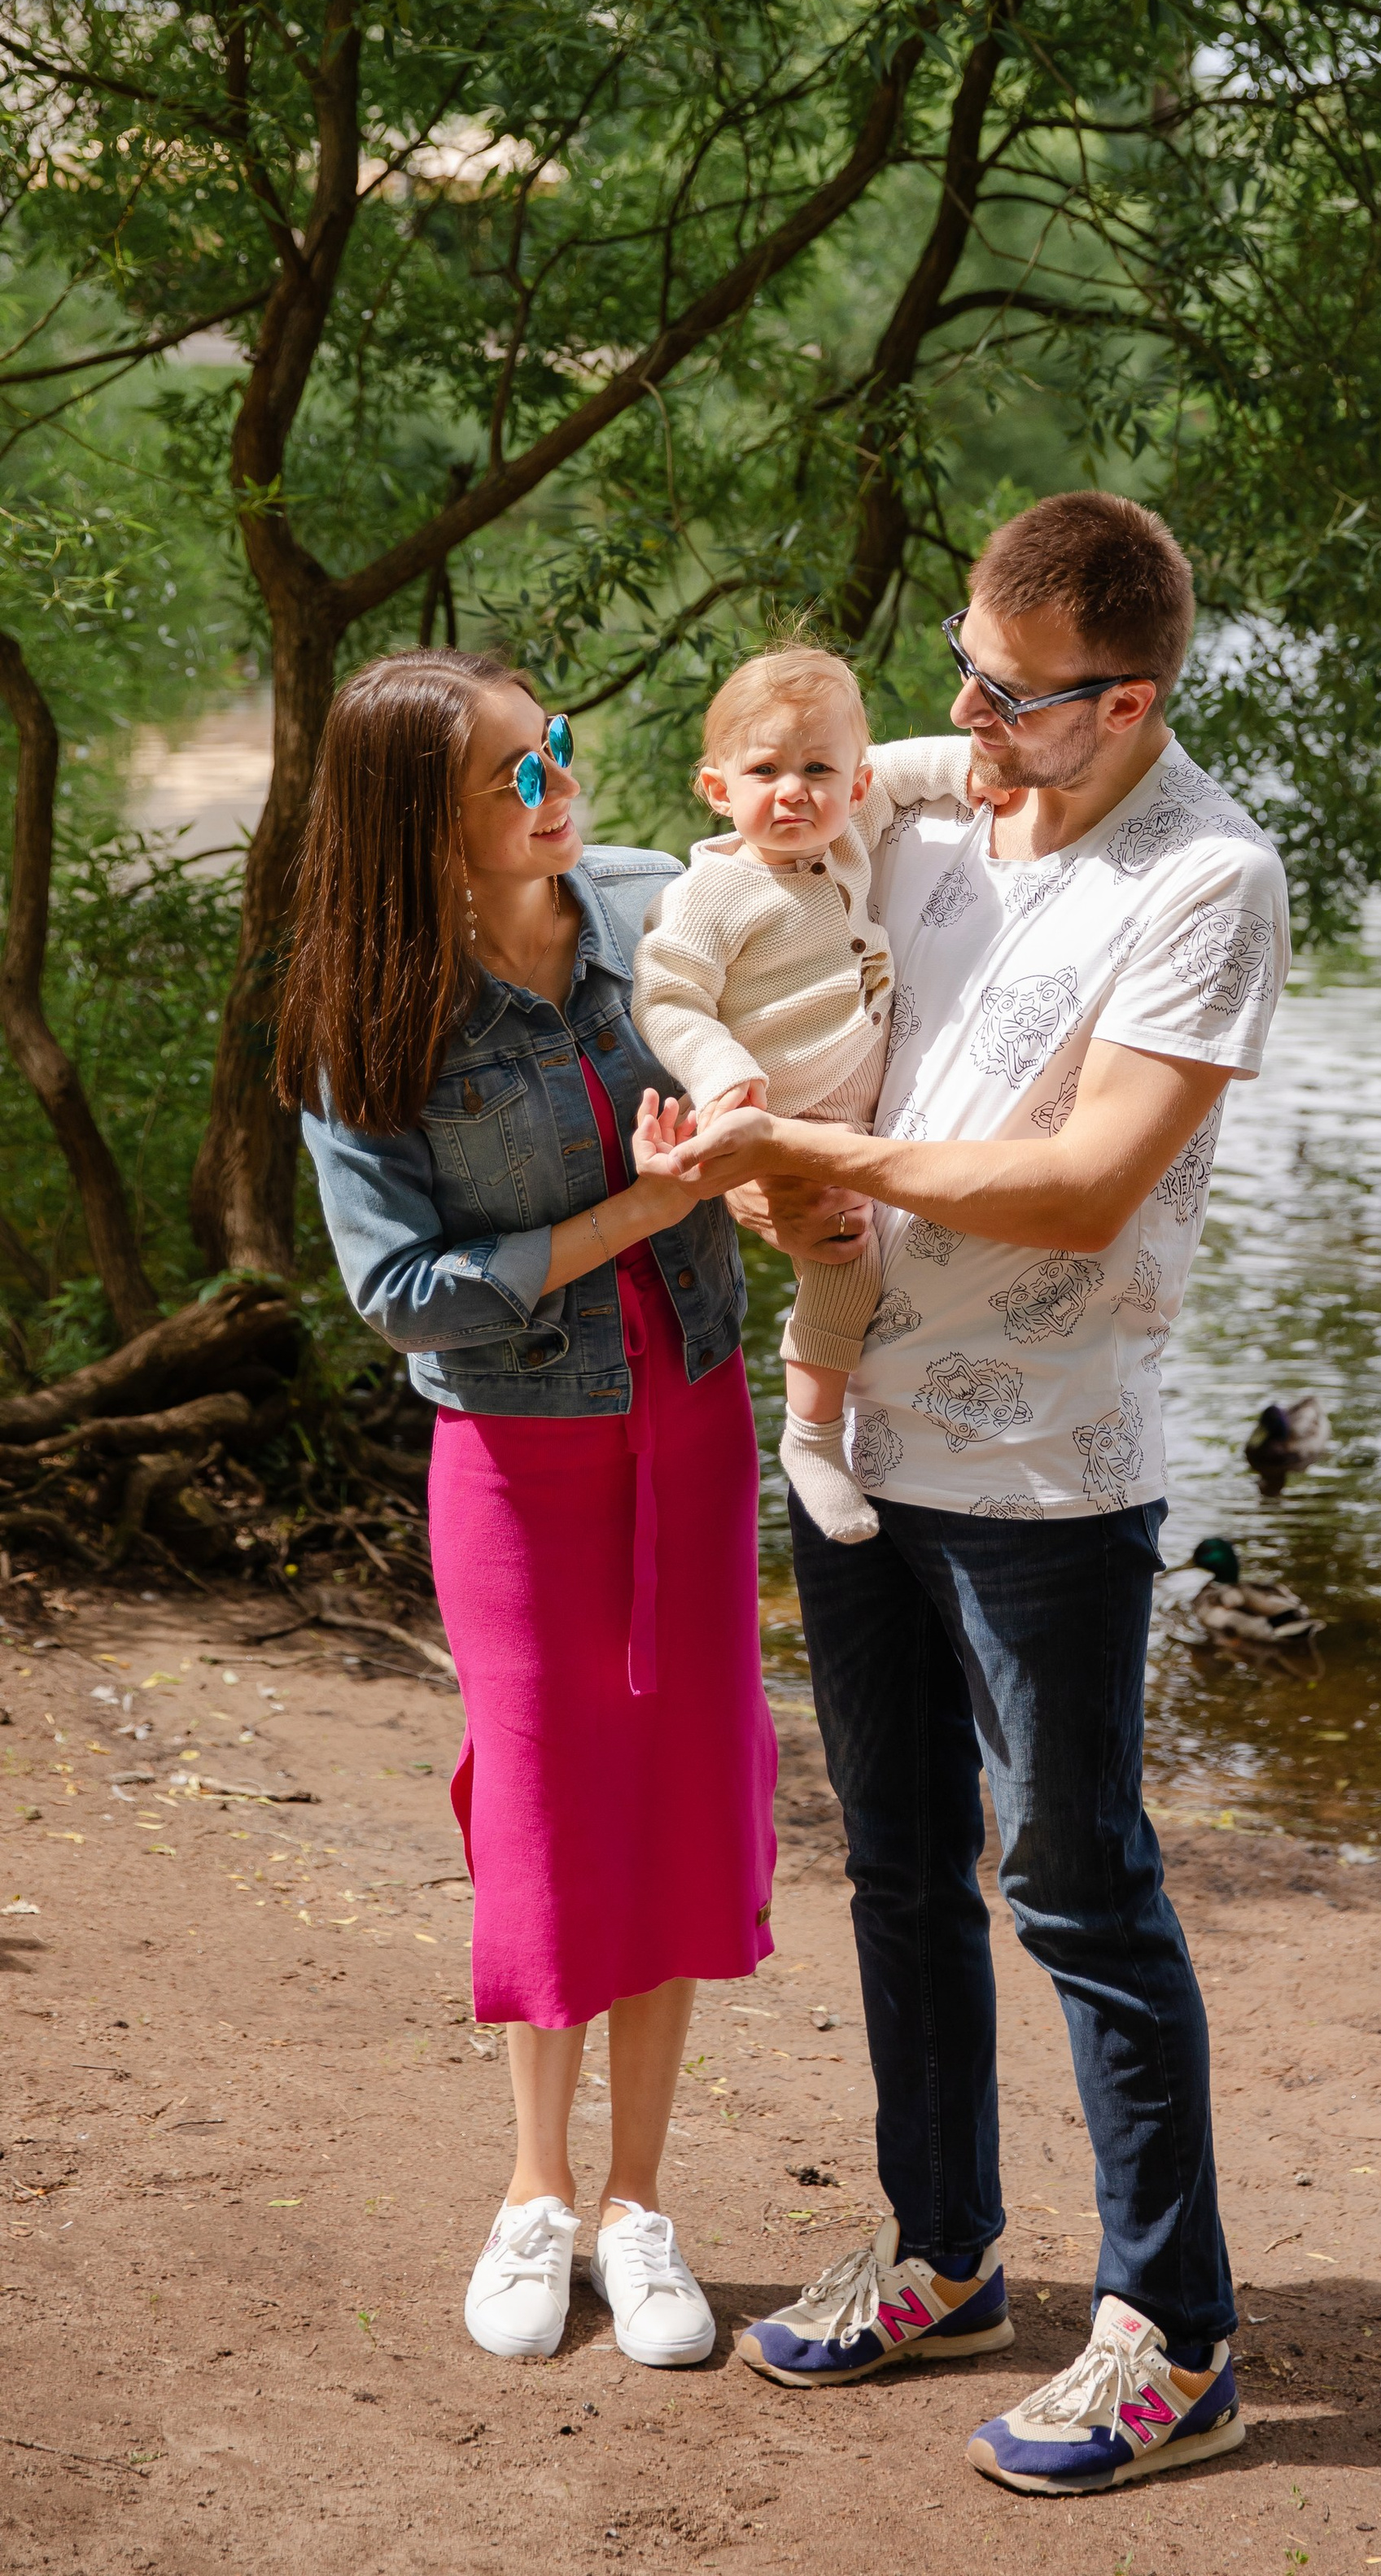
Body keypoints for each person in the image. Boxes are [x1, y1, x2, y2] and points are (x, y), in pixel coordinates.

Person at [644, 493, 1291, 2495]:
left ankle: (1172, 2333)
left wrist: (820, 1139)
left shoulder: (1208, 875)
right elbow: (749, 812)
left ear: (1130, 700)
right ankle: (943, 2245)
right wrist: (747, 1146)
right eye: (957, 664)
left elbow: (1089, 1175)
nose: (960, 710)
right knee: (901, 1870)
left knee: (1078, 1884)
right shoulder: (929, 797)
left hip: (1045, 1476)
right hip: (862, 1448)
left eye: (1007, 693)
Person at [280, 649, 774, 2372]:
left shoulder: (659, 911)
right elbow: (399, 1290)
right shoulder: (363, 1017)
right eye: (507, 770)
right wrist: (636, 1215)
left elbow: (842, 805)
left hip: (693, 1419)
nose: (552, 783)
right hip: (516, 1450)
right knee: (547, 1815)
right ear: (417, 818)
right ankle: (534, 2197)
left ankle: (640, 2206)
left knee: (678, 1797)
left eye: (552, 745)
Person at [630, 644, 971, 1542]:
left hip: (860, 1107)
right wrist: (717, 1075)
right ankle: (812, 1439)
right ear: (716, 789)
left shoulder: (850, 828)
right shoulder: (713, 893)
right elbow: (666, 996)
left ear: (852, 788)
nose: (794, 791)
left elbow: (898, 766)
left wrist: (978, 769)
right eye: (765, 770)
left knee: (871, 1248)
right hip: (779, 1114)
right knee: (844, 1261)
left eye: (818, 770)